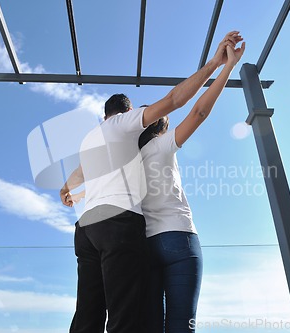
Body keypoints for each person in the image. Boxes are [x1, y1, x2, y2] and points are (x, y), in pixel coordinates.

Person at [60, 31, 242, 333]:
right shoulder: (155, 141)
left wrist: (70, 189)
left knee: (112, 317)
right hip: (171, 238)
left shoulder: (109, 150)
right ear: (135, 116)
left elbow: (82, 170)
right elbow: (194, 109)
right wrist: (223, 66)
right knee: (161, 322)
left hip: (117, 237)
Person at [139, 34, 245, 333]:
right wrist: (227, 67)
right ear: (160, 129)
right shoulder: (161, 145)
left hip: (143, 245)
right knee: (181, 326)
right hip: (179, 240)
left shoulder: (126, 156)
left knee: (149, 326)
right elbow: (198, 113)